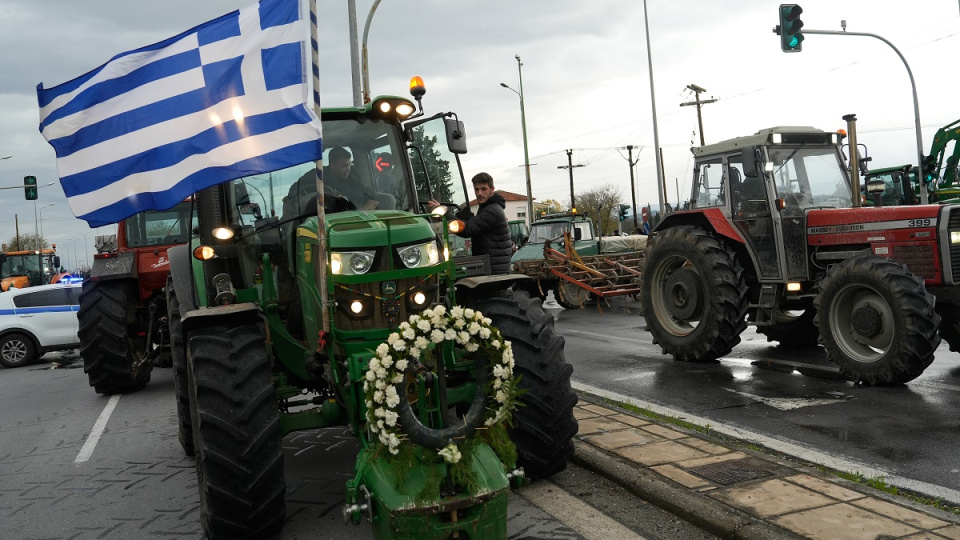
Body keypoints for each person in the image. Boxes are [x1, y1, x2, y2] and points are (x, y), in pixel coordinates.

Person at [451, 172, 514, 275]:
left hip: (494, 271)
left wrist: (444, 213)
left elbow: (467, 230)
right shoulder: (487, 207)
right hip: (492, 267)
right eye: (476, 189)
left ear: (492, 189)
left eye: (483, 189)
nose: (479, 193)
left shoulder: (492, 210)